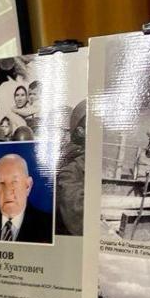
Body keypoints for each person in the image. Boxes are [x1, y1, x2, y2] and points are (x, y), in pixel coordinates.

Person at [0, 153, 53, 243]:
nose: (7, 191)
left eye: (14, 182)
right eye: (1, 183)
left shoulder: (50, 227)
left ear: (28, 186)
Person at [55, 100, 87, 236]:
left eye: (65, 132)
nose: (61, 136)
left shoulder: (75, 155)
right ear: (80, 131)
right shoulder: (71, 166)